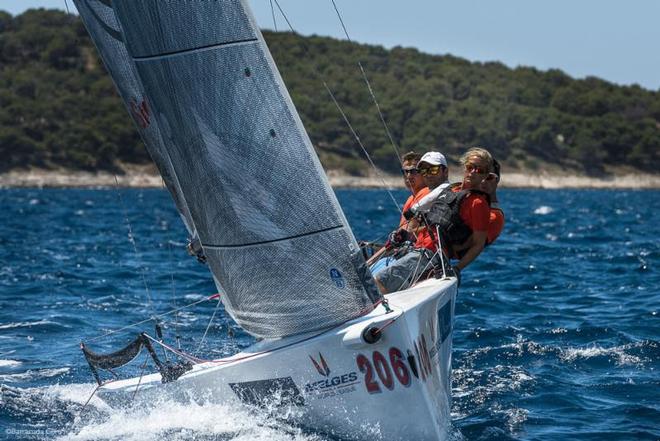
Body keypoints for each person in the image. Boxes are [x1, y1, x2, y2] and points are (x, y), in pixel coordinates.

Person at [375, 147, 494, 293]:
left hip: (432, 256)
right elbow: (433, 226)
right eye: (470, 167)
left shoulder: (478, 203)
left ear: (486, 174)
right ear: (465, 168)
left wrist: (457, 268)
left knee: (380, 281)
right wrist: (407, 234)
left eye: (480, 170)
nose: (473, 172)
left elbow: (478, 244)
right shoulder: (452, 191)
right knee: (369, 275)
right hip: (417, 249)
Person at [368, 151, 429, 274]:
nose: (408, 176)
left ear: (423, 173)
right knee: (361, 249)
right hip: (400, 251)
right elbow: (398, 239)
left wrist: (370, 262)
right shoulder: (411, 199)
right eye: (404, 172)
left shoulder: (426, 194)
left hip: (416, 255)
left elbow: (409, 234)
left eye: (413, 171)